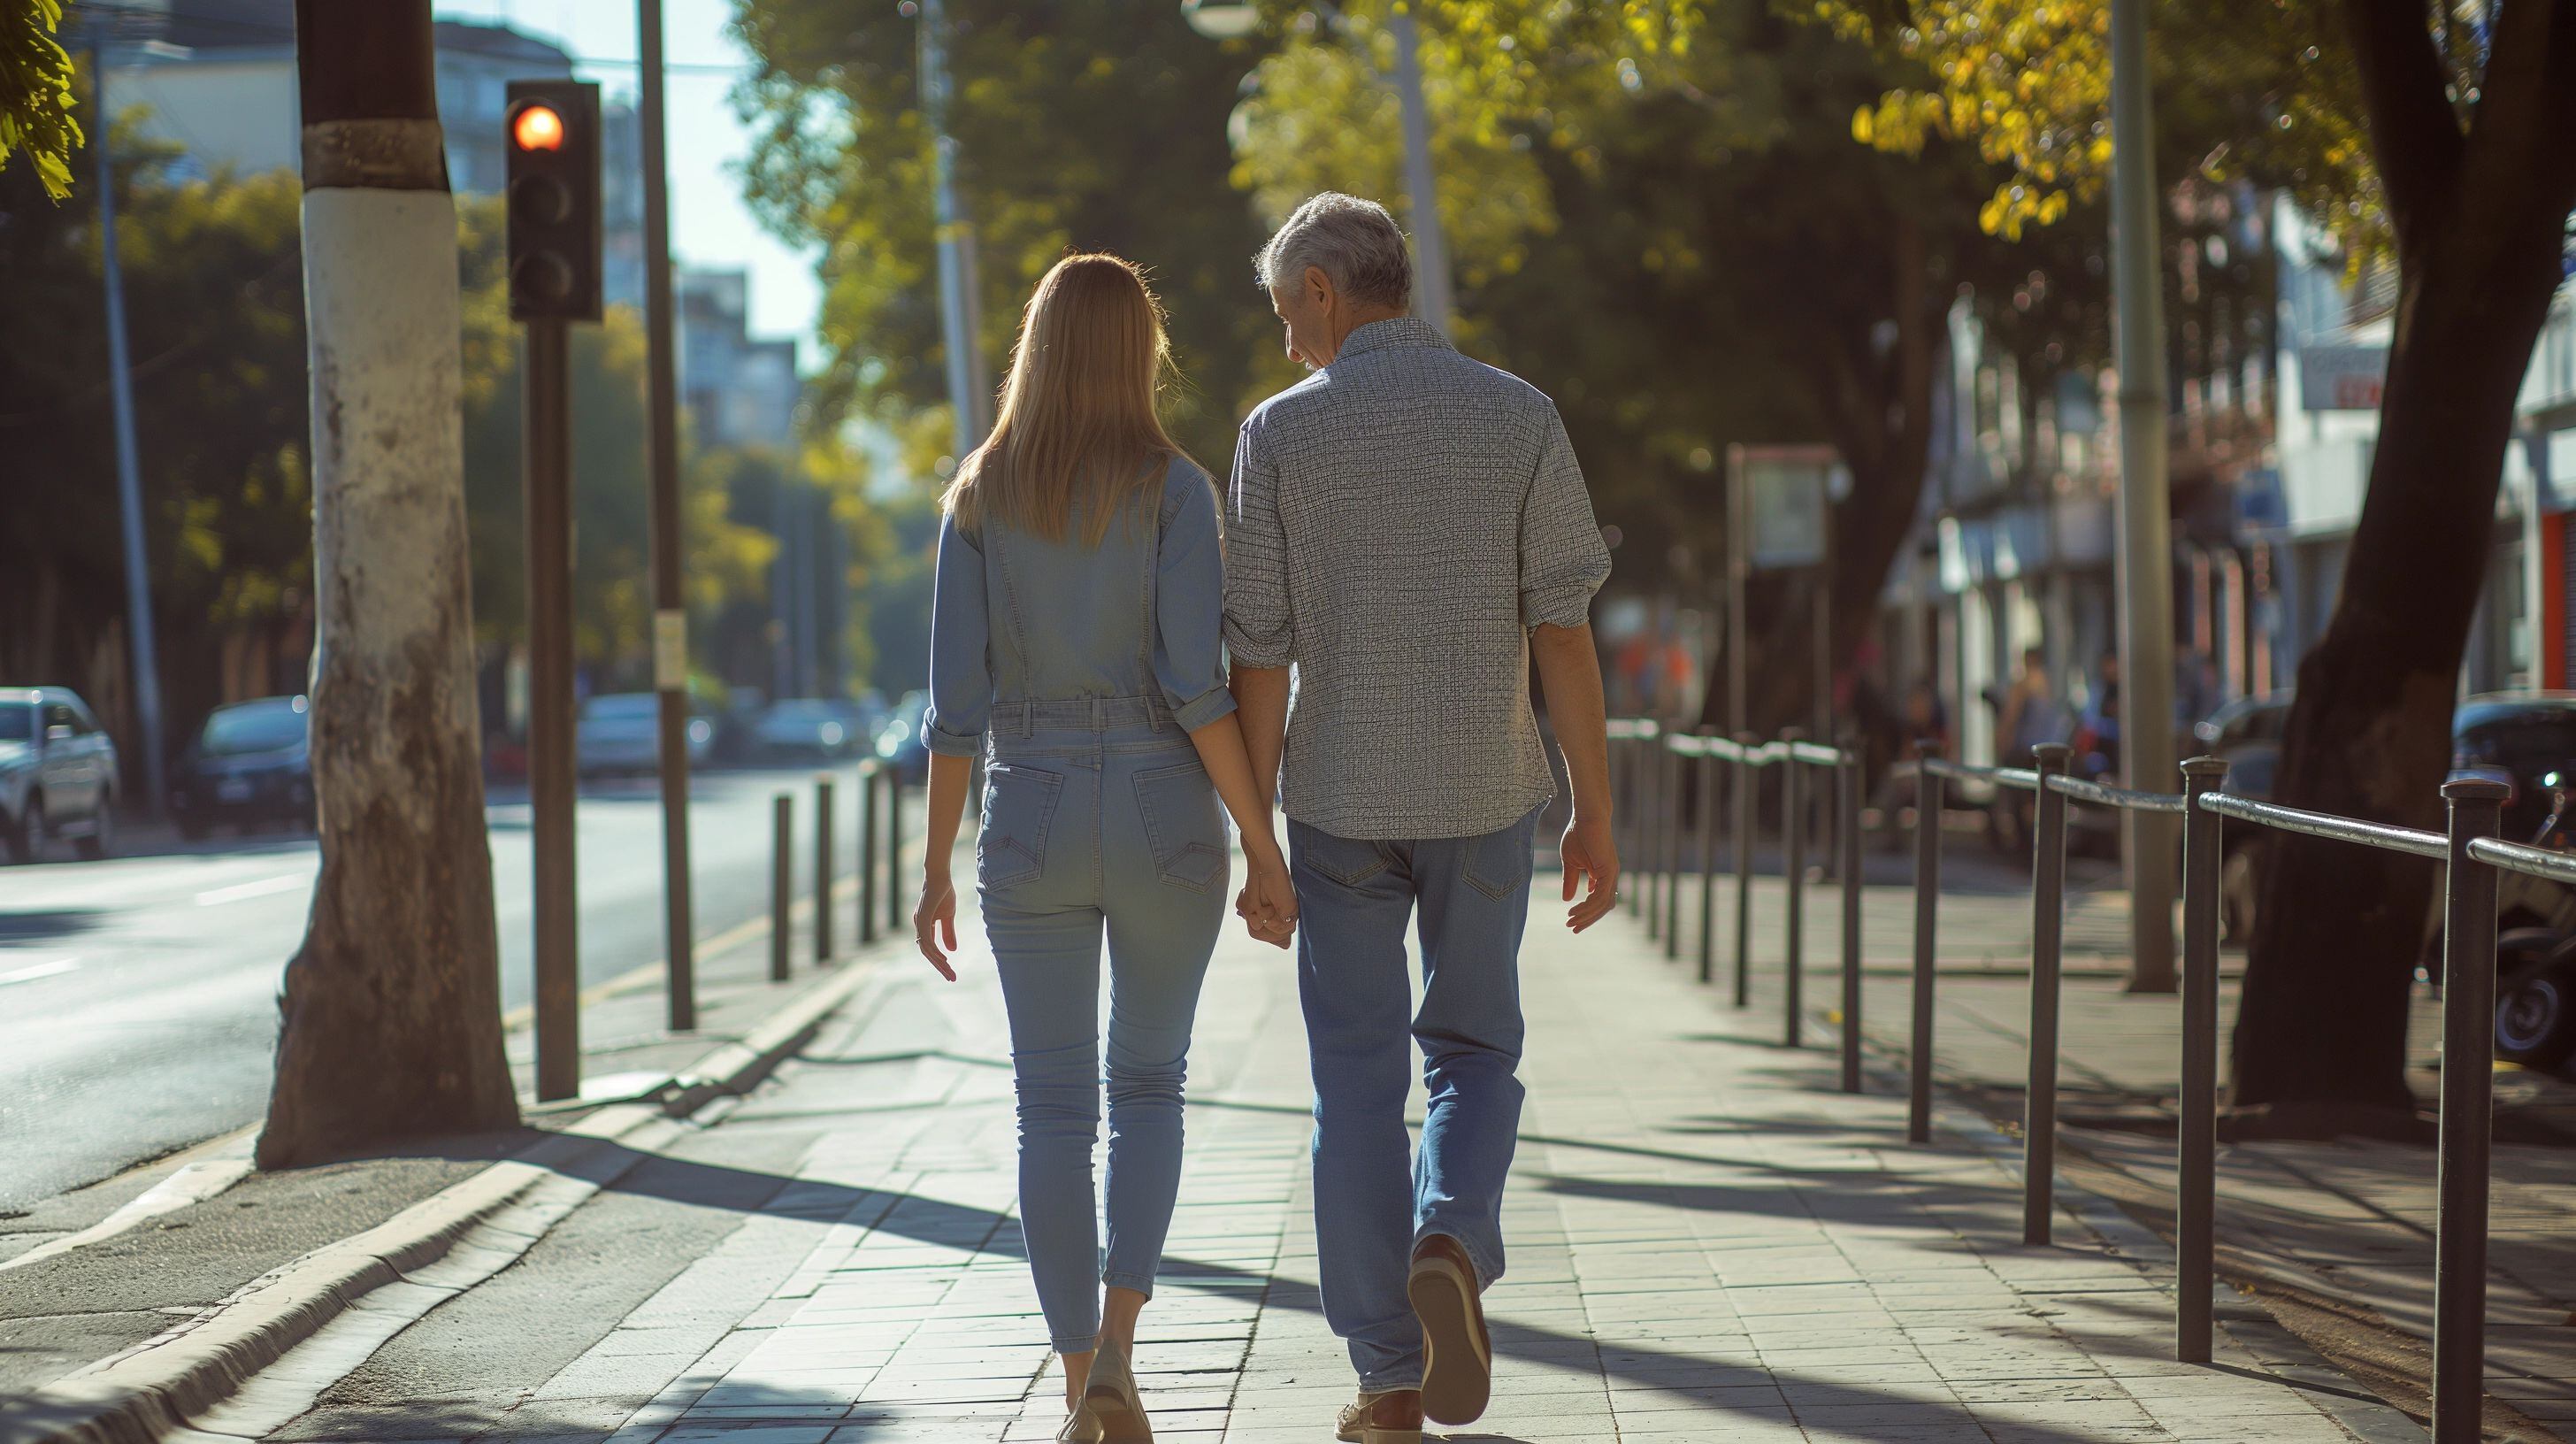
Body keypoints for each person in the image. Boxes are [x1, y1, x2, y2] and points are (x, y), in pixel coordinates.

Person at [1222, 193, 1618, 1442]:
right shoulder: (1521, 415)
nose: (1288, 340)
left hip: (1339, 806)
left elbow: (1262, 656)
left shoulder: (1278, 434)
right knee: (1475, 1051)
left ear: (1328, 293)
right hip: (1486, 791)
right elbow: (1564, 629)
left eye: (1290, 311)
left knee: (1353, 1088)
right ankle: (1452, 1231)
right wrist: (1595, 816)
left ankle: (1388, 1385)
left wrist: (1260, 841)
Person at [912, 254, 1300, 1444]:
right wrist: (1260, 839)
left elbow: (952, 706)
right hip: (1158, 807)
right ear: (1141, 352)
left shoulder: (978, 493)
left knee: (1050, 1111)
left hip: (1024, 807)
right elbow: (1197, 685)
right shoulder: (1177, 492)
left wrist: (933, 866)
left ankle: (1078, 1372)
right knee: (1148, 1090)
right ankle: (1123, 1349)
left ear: (1035, 346)